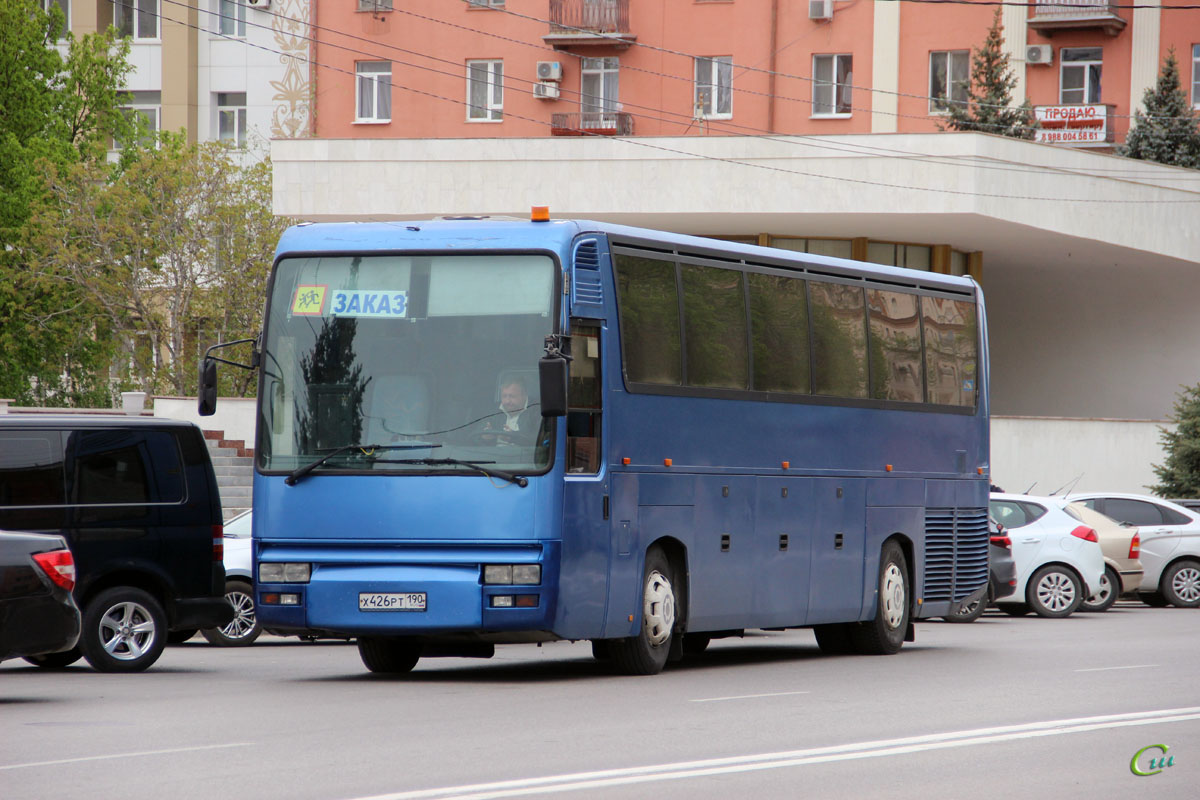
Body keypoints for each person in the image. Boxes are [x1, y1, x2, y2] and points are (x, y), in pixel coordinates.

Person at [482, 377, 536, 444]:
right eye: (504, 396)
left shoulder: (536, 411)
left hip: (526, 454)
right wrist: (485, 437)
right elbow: (473, 437)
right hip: (493, 454)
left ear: (524, 395)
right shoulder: (493, 411)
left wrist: (514, 437)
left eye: (512, 396)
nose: (507, 401)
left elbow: (540, 439)